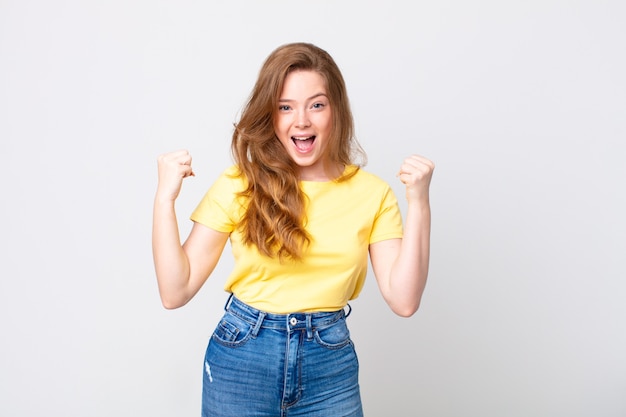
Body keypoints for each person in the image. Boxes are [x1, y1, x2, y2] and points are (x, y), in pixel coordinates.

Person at [152, 42, 434, 417]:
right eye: (286, 107)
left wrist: (419, 202)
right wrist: (164, 200)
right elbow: (175, 291)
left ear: (336, 111)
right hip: (243, 358)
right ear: (271, 115)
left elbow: (404, 300)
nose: (301, 120)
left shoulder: (372, 194)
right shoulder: (241, 183)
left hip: (329, 363)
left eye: (316, 104)